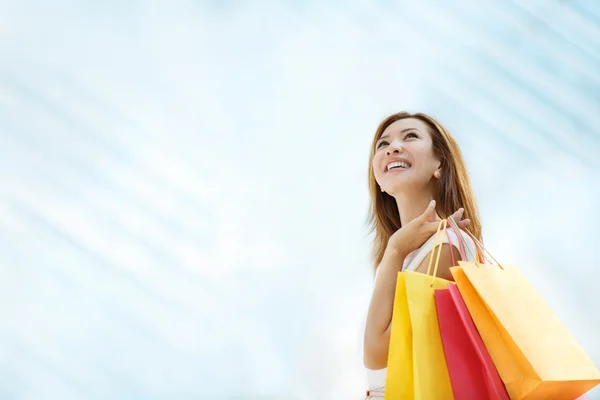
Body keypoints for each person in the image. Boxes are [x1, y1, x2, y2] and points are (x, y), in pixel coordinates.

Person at [362, 112, 482, 398]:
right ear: (379, 180)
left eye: (410, 136)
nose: (392, 147)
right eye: (383, 144)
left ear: (439, 163)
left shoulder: (447, 246)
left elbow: (378, 355)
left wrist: (394, 250)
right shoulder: (408, 253)